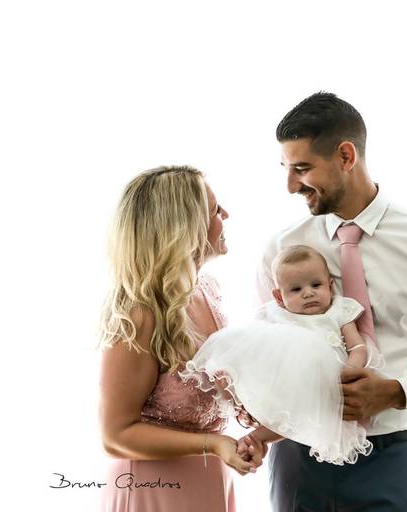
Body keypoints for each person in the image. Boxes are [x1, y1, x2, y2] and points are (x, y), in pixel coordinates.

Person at [257, 91, 407, 511]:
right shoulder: (281, 251)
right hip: (298, 457)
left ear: (346, 156)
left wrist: (395, 392)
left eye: (302, 168)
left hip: (392, 456)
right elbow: (267, 354)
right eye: (286, 169)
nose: (291, 185)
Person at [98, 166, 263, 512]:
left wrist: (253, 422)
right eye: (215, 210)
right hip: (151, 489)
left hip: (211, 480)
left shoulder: (207, 290)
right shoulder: (141, 313)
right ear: (185, 228)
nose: (226, 215)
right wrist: (212, 444)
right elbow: (115, 435)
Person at [181, 244, 380, 466]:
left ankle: (258, 437)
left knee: (305, 412)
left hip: (327, 382)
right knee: (281, 406)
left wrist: (352, 367)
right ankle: (251, 425)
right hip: (291, 380)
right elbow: (256, 345)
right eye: (296, 289)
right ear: (278, 296)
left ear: (330, 285)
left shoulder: (337, 310)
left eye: (316, 285)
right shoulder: (276, 314)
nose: (308, 293)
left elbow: (357, 346)